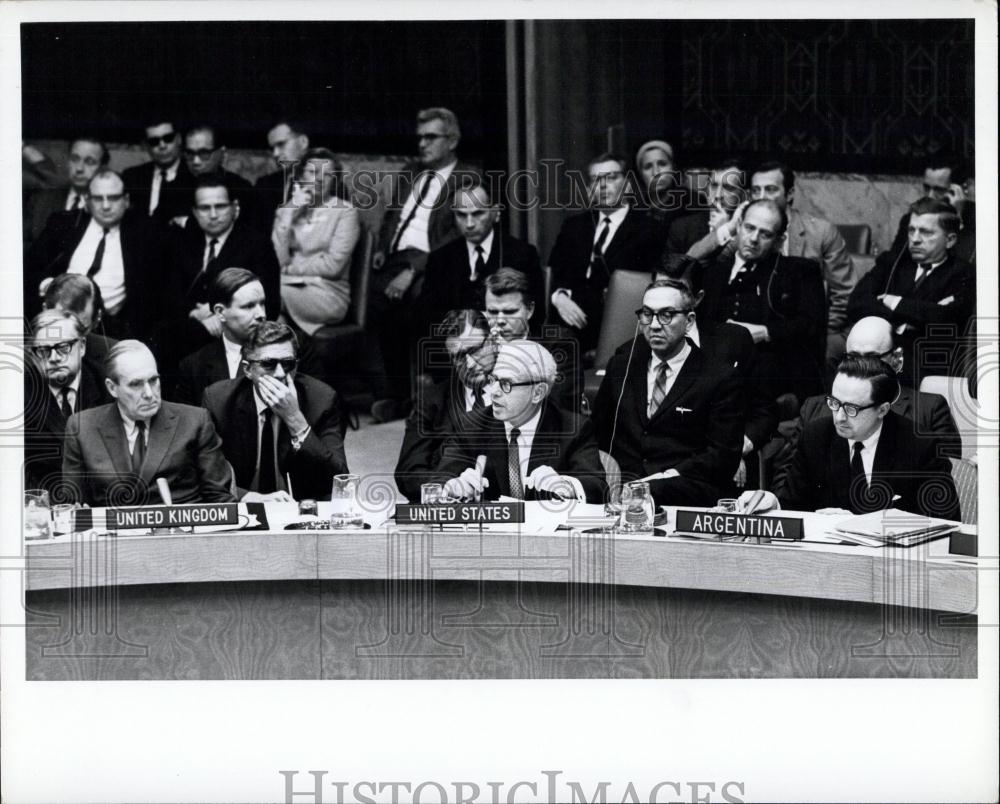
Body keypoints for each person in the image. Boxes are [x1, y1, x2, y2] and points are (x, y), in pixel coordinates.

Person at [744, 356, 959, 520]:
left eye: (851, 409)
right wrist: (774, 504)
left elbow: (945, 520)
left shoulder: (920, 445)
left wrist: (858, 525)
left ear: (882, 409)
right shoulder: (816, 435)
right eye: (835, 403)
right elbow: (794, 504)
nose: (839, 417)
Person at [368, 107, 480, 422]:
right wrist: (381, 247)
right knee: (375, 305)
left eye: (431, 137)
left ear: (453, 140)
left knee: (415, 306)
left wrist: (413, 269)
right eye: (420, 138)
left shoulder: (466, 178)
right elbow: (393, 215)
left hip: (434, 261)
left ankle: (427, 398)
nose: (422, 144)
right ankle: (396, 395)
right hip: (395, 258)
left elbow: (454, 236)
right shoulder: (410, 172)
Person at [592, 279, 744, 507]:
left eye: (666, 315)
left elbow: (721, 457)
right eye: (647, 314)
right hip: (619, 491)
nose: (653, 325)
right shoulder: (621, 365)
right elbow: (597, 433)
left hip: (684, 490)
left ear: (689, 321)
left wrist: (658, 482)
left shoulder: (719, 377)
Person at [773, 316, 961, 485]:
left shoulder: (930, 410)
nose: (862, 367)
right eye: (853, 358)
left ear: (897, 359)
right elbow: (786, 482)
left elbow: (948, 484)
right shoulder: (815, 409)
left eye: (872, 358)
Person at [62, 341, 235, 506]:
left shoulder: (195, 421)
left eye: (153, 380)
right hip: (115, 533)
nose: (149, 393)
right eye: (136, 384)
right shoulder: (82, 427)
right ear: (112, 388)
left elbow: (219, 500)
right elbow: (74, 505)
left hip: (182, 531)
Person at [431, 340, 607, 503]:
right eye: (493, 380)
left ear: (538, 392)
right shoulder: (472, 426)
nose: (494, 391)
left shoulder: (573, 428)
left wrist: (567, 486)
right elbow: (438, 483)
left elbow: (597, 487)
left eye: (506, 383)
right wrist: (451, 488)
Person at [696, 198, 827, 402]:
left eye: (765, 234)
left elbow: (811, 325)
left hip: (769, 370)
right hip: (715, 366)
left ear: (779, 241)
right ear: (738, 226)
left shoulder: (800, 271)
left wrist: (765, 332)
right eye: (749, 228)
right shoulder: (715, 272)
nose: (754, 238)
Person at [202, 321, 348, 502]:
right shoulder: (219, 400)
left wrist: (295, 419)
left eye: (288, 364)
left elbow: (339, 481)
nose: (280, 373)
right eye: (268, 364)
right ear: (247, 369)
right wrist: (249, 497)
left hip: (301, 512)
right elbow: (206, 476)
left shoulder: (322, 399)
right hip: (243, 510)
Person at [846, 197, 975, 388]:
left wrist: (893, 301)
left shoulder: (963, 273)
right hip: (881, 347)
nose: (914, 239)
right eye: (911, 230)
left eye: (925, 232)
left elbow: (944, 319)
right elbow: (856, 303)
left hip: (923, 359)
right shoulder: (893, 262)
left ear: (950, 240)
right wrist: (905, 321)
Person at [26, 169, 164, 340]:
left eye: (113, 198)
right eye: (98, 198)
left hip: (110, 328)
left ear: (126, 200)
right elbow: (30, 268)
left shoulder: (144, 234)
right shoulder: (64, 224)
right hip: (58, 317)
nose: (106, 206)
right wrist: (48, 286)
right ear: (87, 201)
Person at [160, 175, 280, 369]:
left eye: (221, 206)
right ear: (195, 212)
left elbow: (271, 303)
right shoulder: (182, 242)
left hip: (235, 333)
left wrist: (217, 315)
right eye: (205, 208)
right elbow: (170, 295)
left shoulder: (256, 244)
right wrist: (194, 315)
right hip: (187, 328)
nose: (213, 214)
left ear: (235, 208)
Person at [547, 152, 663, 354]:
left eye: (611, 178)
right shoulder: (574, 226)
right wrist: (560, 298)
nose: (602, 185)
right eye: (595, 180)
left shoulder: (649, 229)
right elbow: (555, 272)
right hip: (568, 326)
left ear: (627, 184)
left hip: (619, 330)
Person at [748, 161, 857, 363]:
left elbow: (845, 294)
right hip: (761, 331)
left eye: (770, 189)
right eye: (756, 190)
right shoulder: (747, 232)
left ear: (789, 194)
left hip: (814, 329)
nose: (762, 197)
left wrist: (817, 331)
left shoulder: (821, 232)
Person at [395, 310, 497, 502]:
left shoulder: (516, 391)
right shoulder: (431, 399)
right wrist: (447, 487)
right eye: (459, 356)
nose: (470, 363)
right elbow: (407, 472)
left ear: (492, 342)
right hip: (446, 509)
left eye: (475, 350)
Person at [419, 183, 541, 330]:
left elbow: (536, 313)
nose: (469, 224)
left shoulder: (522, 255)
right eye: (461, 215)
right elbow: (427, 316)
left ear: (495, 213)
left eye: (478, 214)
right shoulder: (440, 259)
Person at [273, 148, 361, 336]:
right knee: (261, 298)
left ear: (334, 180)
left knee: (263, 292)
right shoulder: (287, 210)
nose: (319, 179)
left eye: (327, 174)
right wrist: (288, 214)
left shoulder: (345, 212)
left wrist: (290, 269)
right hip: (286, 285)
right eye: (313, 172)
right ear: (301, 175)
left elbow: (332, 266)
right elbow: (276, 261)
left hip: (327, 294)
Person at [24, 310, 110, 496]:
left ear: (82, 347)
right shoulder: (20, 394)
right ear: (33, 354)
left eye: (63, 347)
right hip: (45, 505)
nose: (54, 358)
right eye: (44, 351)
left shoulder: (107, 385)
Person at [484, 268, 577, 411]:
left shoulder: (559, 344)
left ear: (530, 310)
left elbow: (556, 405)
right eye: (493, 312)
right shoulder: (478, 347)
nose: (500, 320)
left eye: (510, 312)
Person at [172, 268, 267, 405]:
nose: (261, 314)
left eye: (262, 304)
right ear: (220, 312)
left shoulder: (293, 351)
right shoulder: (194, 367)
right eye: (248, 306)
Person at [887, 157, 974, 265]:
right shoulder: (911, 219)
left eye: (939, 190)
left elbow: (965, 268)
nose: (930, 196)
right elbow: (891, 265)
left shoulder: (979, 220)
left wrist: (958, 219)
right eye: (927, 188)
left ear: (959, 189)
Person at [24, 136, 109, 245]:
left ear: (102, 167)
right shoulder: (41, 200)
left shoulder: (108, 206)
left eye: (89, 162)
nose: (79, 168)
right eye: (75, 159)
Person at [665, 157, 746, 256]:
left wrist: (727, 232)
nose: (718, 195)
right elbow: (675, 269)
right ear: (707, 188)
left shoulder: (749, 231)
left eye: (728, 188)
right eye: (714, 186)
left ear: (743, 195)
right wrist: (718, 234)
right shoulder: (682, 228)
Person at [41, 274, 116, 379]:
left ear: (97, 319)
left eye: (80, 329)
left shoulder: (115, 360)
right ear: (45, 311)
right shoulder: (20, 358)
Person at [121, 120, 194, 224]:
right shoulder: (132, 177)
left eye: (168, 138)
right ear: (146, 146)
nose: (162, 146)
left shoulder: (193, 175)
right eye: (154, 141)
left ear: (179, 139)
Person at [182, 125, 254, 220]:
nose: (196, 161)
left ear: (222, 153)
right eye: (190, 154)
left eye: (204, 153)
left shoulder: (241, 188)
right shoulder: (174, 189)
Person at [255, 119, 310, 227]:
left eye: (281, 144)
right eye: (272, 148)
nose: (275, 153)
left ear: (303, 142)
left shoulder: (331, 185)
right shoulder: (264, 186)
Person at [634, 139, 687, 228]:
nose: (656, 172)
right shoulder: (635, 213)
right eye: (648, 167)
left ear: (673, 168)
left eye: (662, 164)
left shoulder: (690, 205)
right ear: (641, 175)